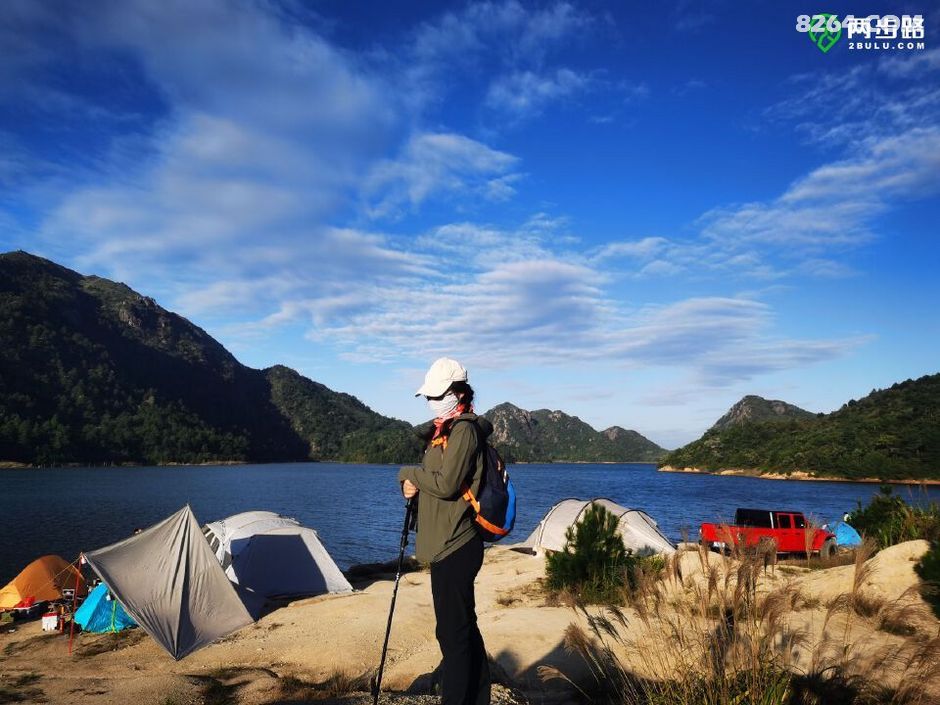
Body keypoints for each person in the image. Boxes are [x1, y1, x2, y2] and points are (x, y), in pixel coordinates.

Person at [398, 357, 492, 705]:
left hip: (457, 543)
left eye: (437, 395)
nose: (431, 401)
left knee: (453, 635)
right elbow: (434, 484)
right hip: (444, 542)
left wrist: (407, 472)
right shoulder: (444, 432)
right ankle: (478, 697)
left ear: (458, 393)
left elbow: (448, 484)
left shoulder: (464, 430)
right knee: (463, 627)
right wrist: (409, 487)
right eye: (429, 396)